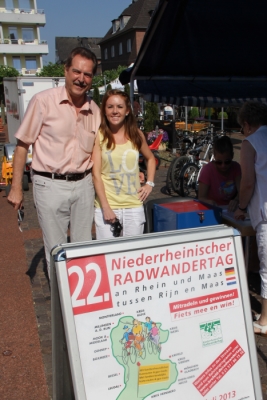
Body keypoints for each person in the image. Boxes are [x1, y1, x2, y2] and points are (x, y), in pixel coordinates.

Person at [7, 47, 101, 277]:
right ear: (66, 71)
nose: (81, 78)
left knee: (83, 248)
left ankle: (79, 305)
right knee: (57, 251)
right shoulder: (43, 102)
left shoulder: (94, 110)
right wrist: (17, 188)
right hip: (49, 185)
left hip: (84, 185)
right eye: (76, 71)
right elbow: (22, 146)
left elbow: (99, 154)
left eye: (87, 74)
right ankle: (61, 308)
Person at [92, 89, 156, 239]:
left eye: (120, 107)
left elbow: (151, 158)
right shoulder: (99, 135)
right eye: (110, 107)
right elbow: (96, 175)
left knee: (133, 256)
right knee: (108, 256)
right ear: (104, 111)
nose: (115, 111)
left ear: (127, 111)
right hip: (107, 206)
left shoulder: (136, 134)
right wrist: (106, 208)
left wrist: (149, 183)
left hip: (133, 205)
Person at [234, 101, 267, 336]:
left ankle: (264, 321)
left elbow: (247, 182)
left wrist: (241, 207)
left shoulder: (250, 142)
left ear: (246, 124)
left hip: (265, 212)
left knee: (266, 269)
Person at [198, 135, 241, 211]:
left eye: (227, 162)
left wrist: (236, 200)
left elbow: (241, 191)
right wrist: (209, 202)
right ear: (214, 157)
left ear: (232, 156)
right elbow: (201, 198)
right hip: (213, 210)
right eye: (219, 162)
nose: (223, 166)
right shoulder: (207, 170)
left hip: (230, 210)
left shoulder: (236, 167)